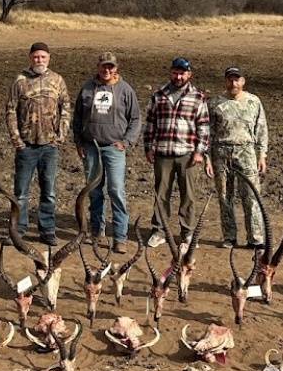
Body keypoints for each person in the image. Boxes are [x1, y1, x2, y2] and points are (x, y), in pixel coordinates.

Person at [72, 51, 142, 254]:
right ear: (98, 67)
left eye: (110, 67)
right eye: (104, 66)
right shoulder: (87, 88)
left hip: (114, 149)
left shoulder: (125, 90)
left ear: (116, 68)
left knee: (116, 191)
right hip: (91, 147)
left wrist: (127, 141)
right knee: (94, 191)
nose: (107, 70)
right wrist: (79, 142)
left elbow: (136, 119)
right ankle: (96, 231)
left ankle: (120, 237)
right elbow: (77, 117)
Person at [5, 42, 72, 246]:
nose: (39, 60)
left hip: (49, 147)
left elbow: (66, 108)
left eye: (43, 57)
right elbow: (10, 111)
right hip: (26, 147)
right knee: (21, 193)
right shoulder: (20, 81)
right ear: (30, 58)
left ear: (49, 58)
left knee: (49, 192)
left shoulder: (57, 80)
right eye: (36, 57)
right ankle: (18, 230)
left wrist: (59, 137)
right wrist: (17, 140)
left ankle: (48, 230)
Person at [142, 57, 210, 248]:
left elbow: (203, 127)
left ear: (189, 74)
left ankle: (187, 233)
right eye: (175, 72)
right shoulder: (159, 95)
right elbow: (150, 124)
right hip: (163, 153)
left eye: (182, 73)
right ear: (170, 72)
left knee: (188, 195)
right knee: (161, 194)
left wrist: (199, 152)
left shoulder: (197, 97)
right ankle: (159, 231)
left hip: (187, 154)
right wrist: (148, 147)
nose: (178, 76)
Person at [206, 66, 269, 249]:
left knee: (251, 196)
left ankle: (255, 239)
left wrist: (261, 155)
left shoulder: (253, 102)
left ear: (243, 81)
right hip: (221, 153)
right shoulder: (215, 103)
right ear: (225, 81)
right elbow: (207, 133)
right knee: (225, 196)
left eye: (237, 80)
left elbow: (261, 129)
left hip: (246, 152)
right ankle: (229, 237)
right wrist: (207, 158)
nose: (233, 83)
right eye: (230, 80)